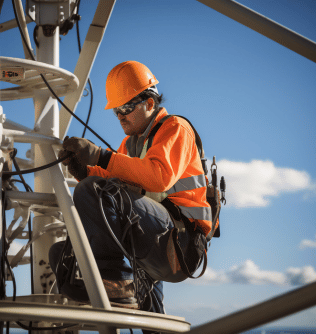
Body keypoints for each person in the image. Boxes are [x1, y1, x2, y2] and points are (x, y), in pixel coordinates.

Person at [49, 60, 213, 316]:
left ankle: (118, 283)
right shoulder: (132, 143)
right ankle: (114, 285)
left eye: (126, 107)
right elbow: (111, 174)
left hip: (180, 242)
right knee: (63, 253)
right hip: (152, 239)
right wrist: (85, 170)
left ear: (150, 103)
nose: (120, 116)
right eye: (116, 111)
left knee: (95, 191)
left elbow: (159, 177)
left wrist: (100, 157)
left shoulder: (175, 129)